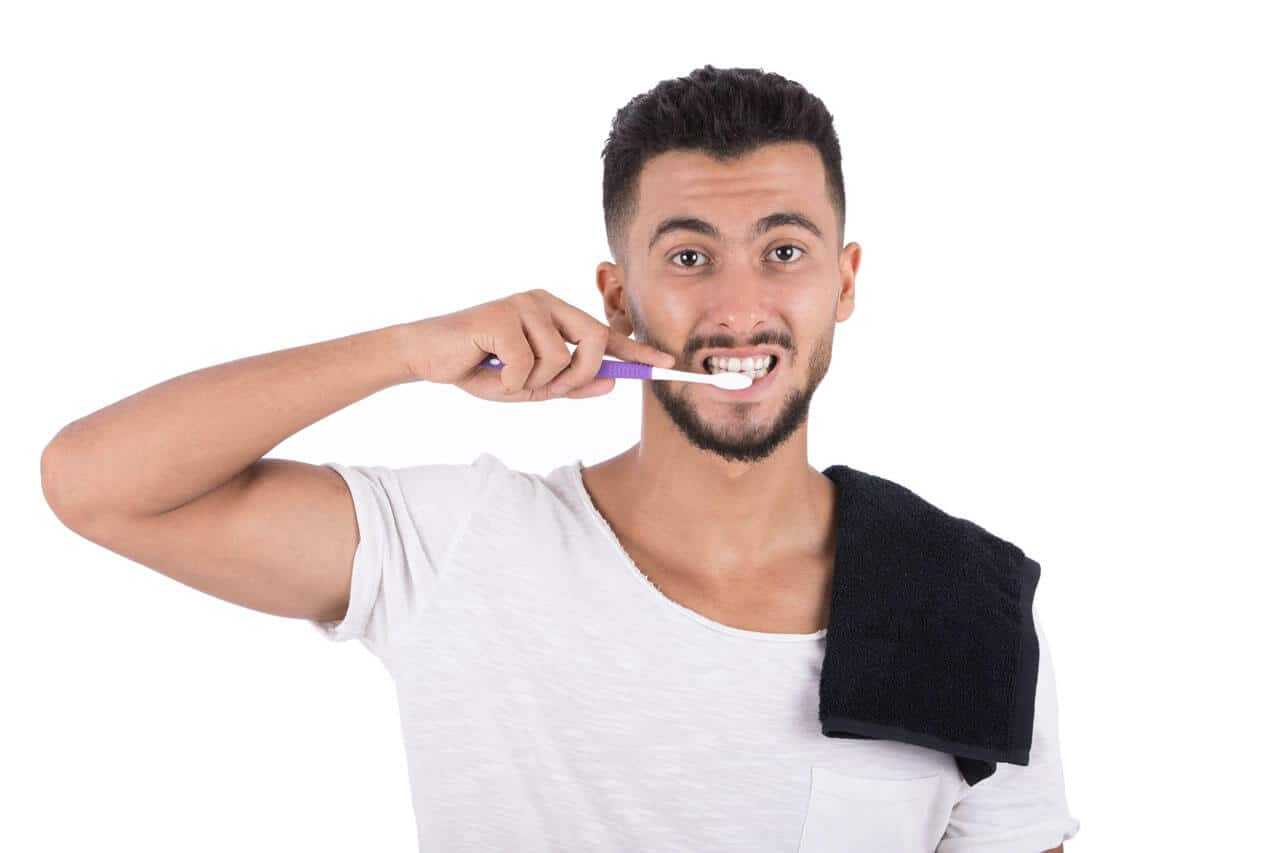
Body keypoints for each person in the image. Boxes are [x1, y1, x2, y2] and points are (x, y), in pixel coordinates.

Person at [41, 65, 1078, 852]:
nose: (736, 307)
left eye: (783, 251)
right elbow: (95, 482)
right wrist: (410, 350)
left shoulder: (966, 601)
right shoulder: (455, 547)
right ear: (616, 295)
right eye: (685, 257)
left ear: (842, 282)